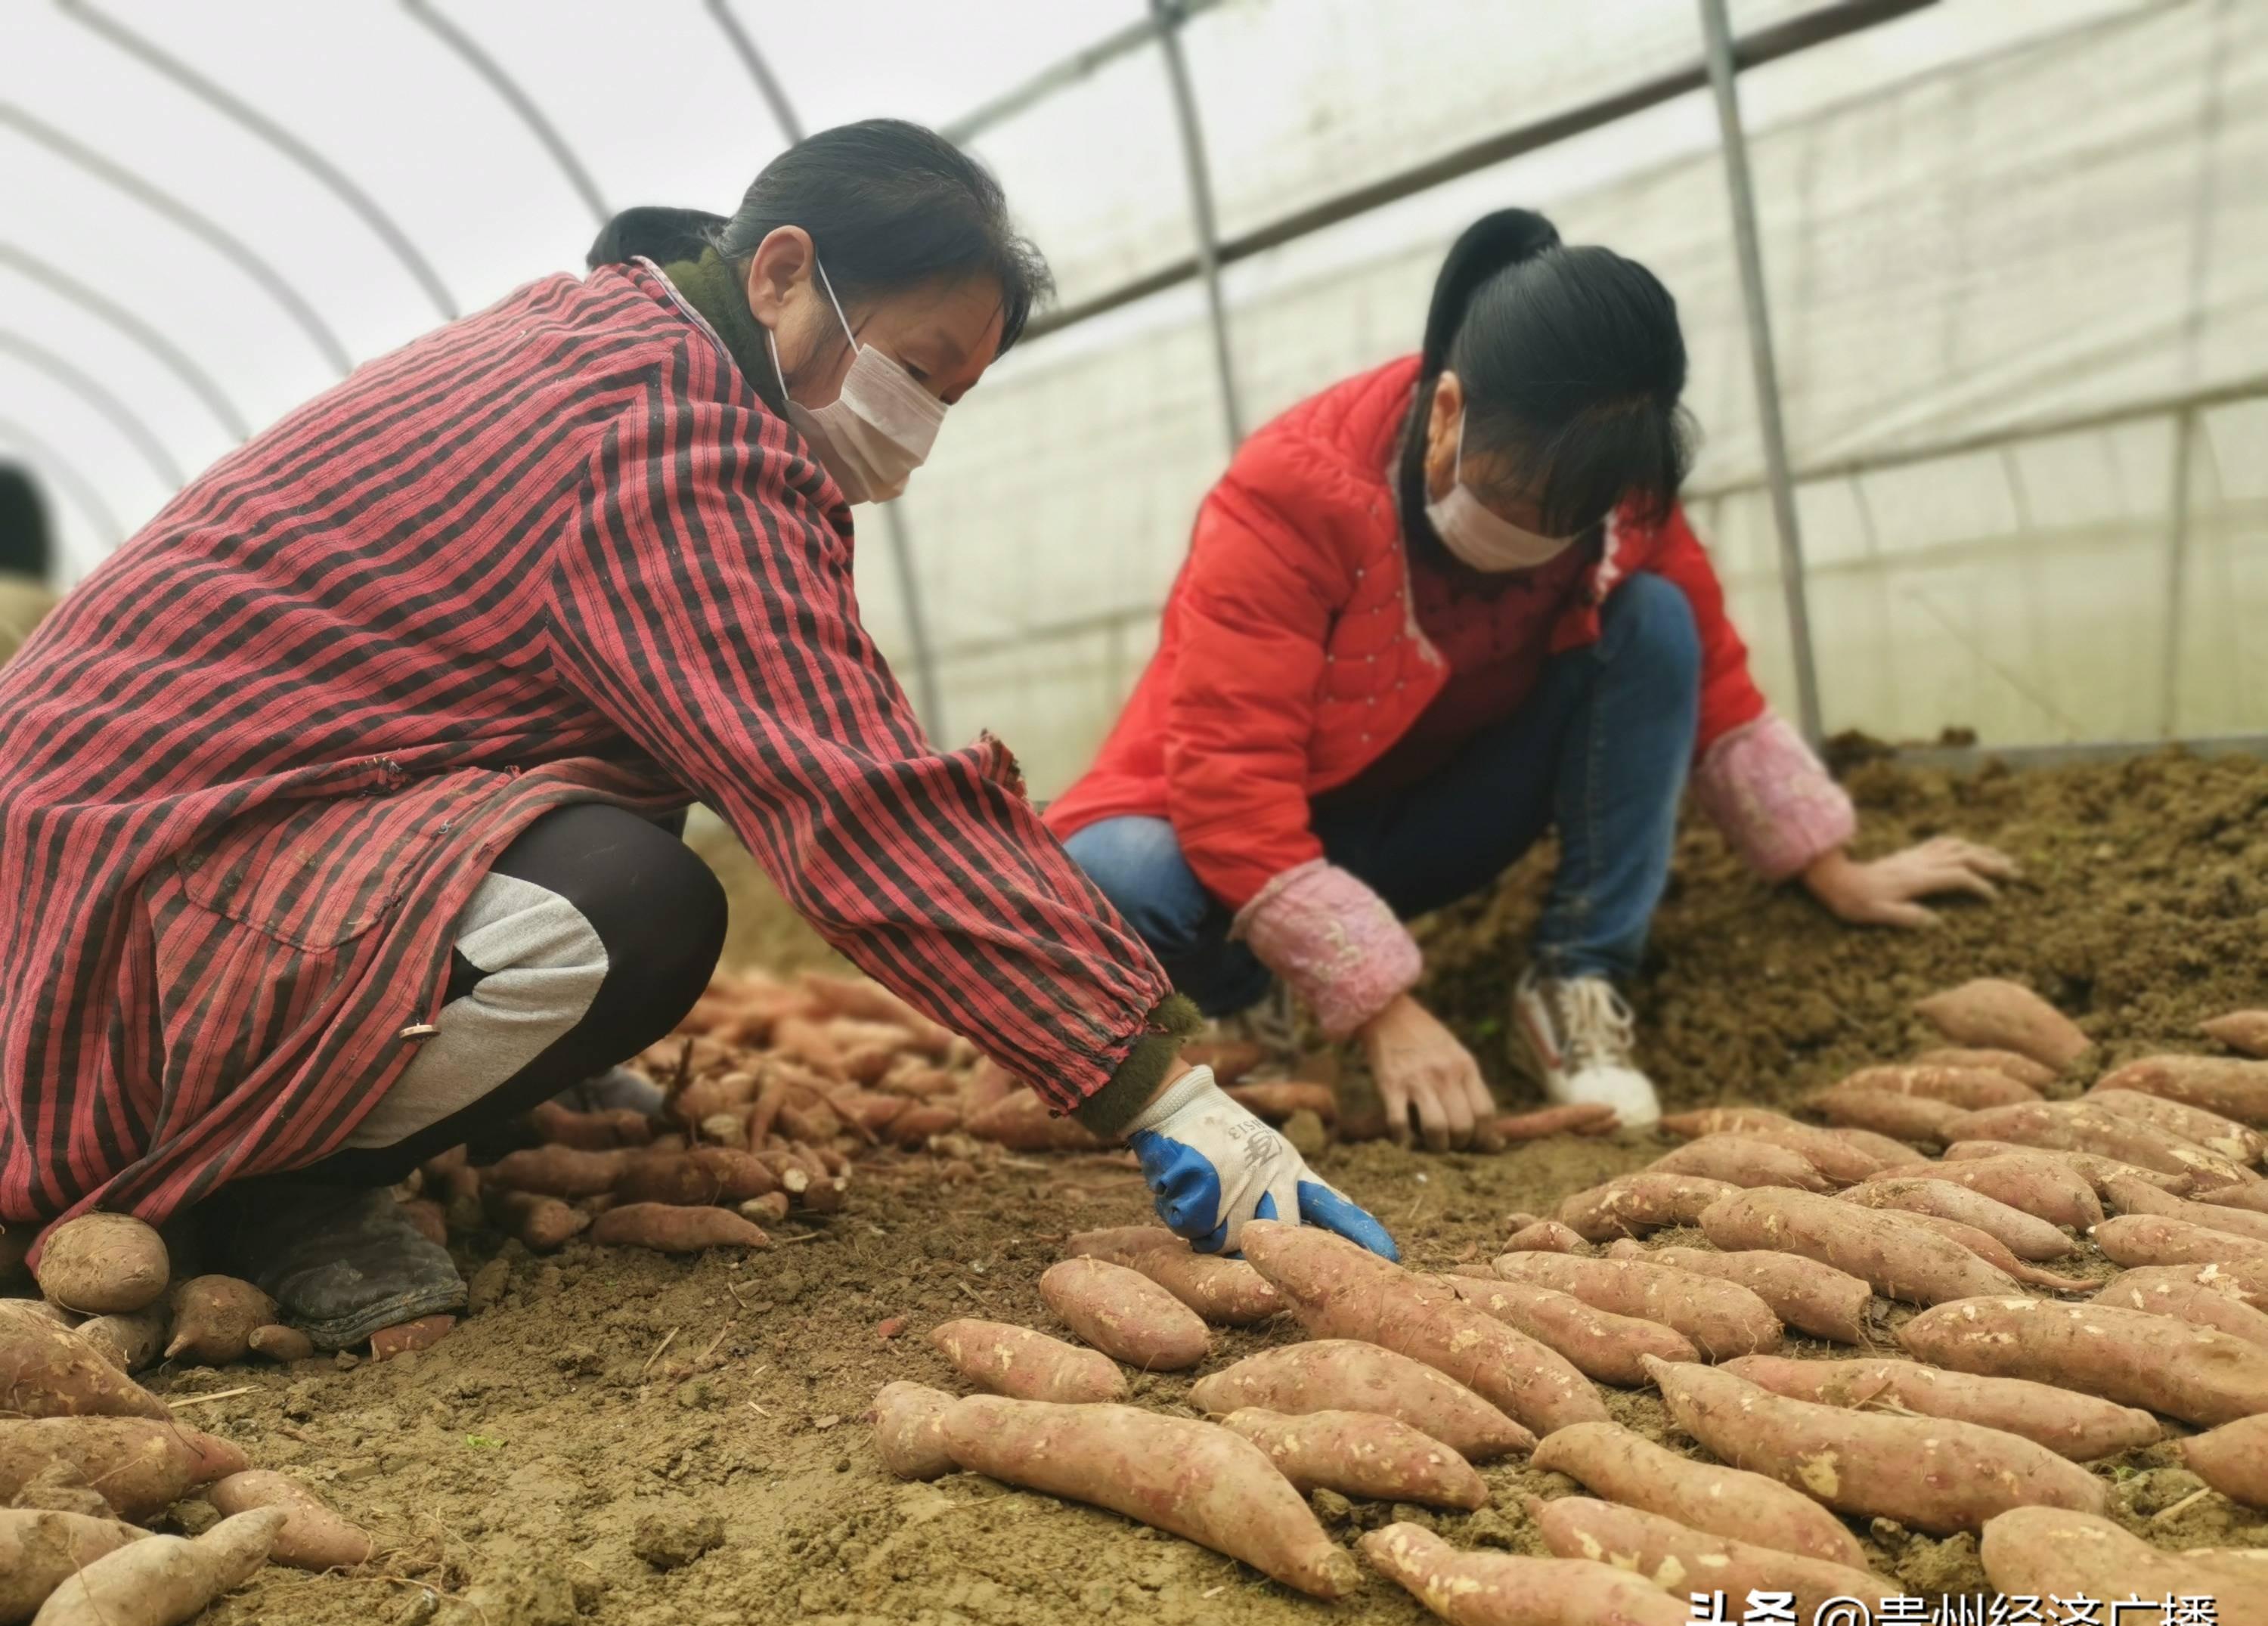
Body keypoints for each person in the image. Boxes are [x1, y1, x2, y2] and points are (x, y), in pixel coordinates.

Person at [0, 121, 1390, 1350]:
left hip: (155, 831)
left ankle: (403, 1077)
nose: (920, 427)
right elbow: (853, 797)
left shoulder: (623, 336)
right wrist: (1155, 1089)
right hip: (116, 892)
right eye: (915, 368)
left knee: (633, 787)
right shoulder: (662, 434)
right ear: (781, 273)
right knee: (633, 911)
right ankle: (275, 1177)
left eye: (951, 399)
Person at [1047, 209, 2012, 1141]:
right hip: (1241, 835)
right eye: (1512, 498)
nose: (1535, 538)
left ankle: (1574, 980)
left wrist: (1829, 865)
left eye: (1570, 519)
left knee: (1657, 620)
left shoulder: (1621, 489)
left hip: (1438, 816)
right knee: (1115, 875)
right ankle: (1248, 1002)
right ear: (1450, 412)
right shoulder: (1293, 493)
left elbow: (1707, 672)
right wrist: (1383, 1007)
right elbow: (1231, 776)